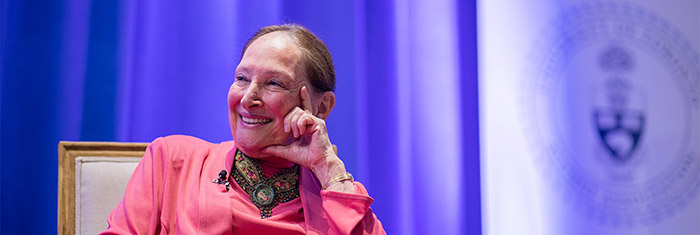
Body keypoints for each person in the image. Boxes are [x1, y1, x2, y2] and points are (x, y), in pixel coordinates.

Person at [100, 24, 386, 234]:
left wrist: (328, 168)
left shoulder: (333, 195)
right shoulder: (173, 160)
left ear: (321, 108)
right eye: (241, 78)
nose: (248, 98)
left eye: (274, 83)